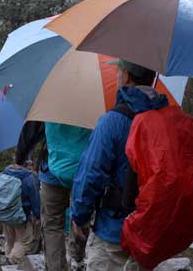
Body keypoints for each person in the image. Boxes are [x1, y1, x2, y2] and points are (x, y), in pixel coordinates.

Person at [71, 59, 166, 271]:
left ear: (126, 76)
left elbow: (91, 175)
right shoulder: (163, 117)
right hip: (151, 229)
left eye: (118, 70)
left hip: (114, 230)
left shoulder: (112, 121)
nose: (116, 74)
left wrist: (80, 217)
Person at [16, 121, 91, 271]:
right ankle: (77, 255)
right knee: (83, 216)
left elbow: (30, 132)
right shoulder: (95, 103)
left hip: (52, 172)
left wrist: (20, 159)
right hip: (83, 171)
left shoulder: (50, 101)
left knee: (52, 224)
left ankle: (56, 267)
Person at [0, 160, 41, 263]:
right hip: (21, 216)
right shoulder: (28, 178)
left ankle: (6, 261)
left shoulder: (3, 174)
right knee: (23, 242)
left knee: (10, 241)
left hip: (4, 214)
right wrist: (37, 215)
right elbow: (35, 198)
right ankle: (11, 262)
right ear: (25, 165)